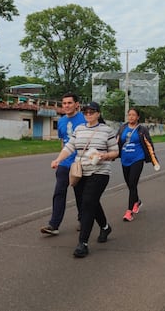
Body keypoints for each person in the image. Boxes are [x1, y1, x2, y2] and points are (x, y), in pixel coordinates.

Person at [50, 101, 118, 258]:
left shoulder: (107, 131)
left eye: (92, 111)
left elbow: (115, 152)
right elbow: (69, 147)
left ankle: (83, 243)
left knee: (87, 203)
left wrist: (104, 156)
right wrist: (58, 160)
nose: (88, 114)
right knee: (90, 202)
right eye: (86, 112)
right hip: (80, 172)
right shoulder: (79, 129)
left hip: (100, 172)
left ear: (98, 113)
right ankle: (105, 227)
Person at [40, 93, 85, 237]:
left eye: (69, 103)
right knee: (59, 192)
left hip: (80, 163)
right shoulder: (61, 121)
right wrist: (60, 159)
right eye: (64, 103)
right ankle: (54, 225)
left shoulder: (84, 119)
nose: (66, 106)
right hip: (65, 163)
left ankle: (83, 220)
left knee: (80, 194)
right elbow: (63, 141)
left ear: (76, 104)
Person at [117, 108, 155, 221]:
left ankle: (129, 212)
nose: (131, 117)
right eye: (129, 115)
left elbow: (149, 144)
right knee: (129, 184)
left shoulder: (142, 129)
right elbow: (117, 141)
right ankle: (137, 201)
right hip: (125, 159)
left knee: (133, 184)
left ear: (138, 117)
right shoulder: (123, 128)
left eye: (133, 115)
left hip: (137, 158)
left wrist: (154, 159)